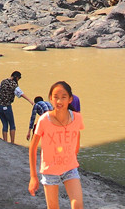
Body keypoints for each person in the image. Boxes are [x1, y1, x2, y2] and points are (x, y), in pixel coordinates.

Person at [28, 80, 84, 209]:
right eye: (56, 97)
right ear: (50, 99)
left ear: (70, 99)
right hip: (50, 170)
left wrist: (73, 155)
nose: (59, 101)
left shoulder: (77, 118)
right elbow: (33, 147)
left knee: (78, 204)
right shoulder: (44, 120)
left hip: (70, 168)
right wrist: (33, 176)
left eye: (63, 97)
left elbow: (77, 135)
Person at [0, 70, 33, 143]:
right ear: (17, 77)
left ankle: (5, 142)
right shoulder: (14, 85)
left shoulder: (3, 81)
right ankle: (12, 143)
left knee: (4, 124)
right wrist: (30, 101)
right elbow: (21, 94)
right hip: (7, 107)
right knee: (12, 125)